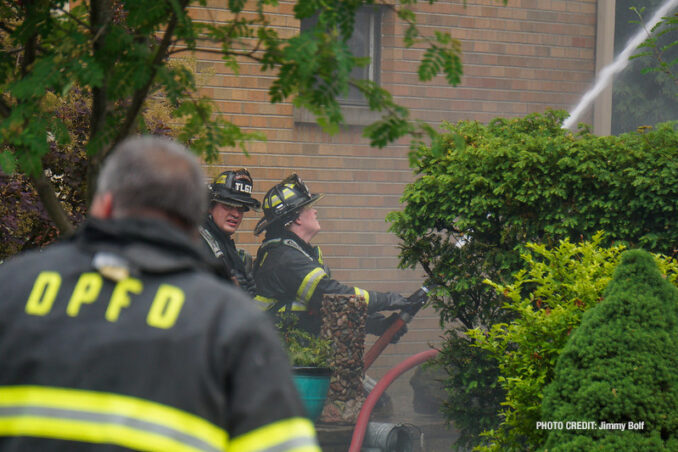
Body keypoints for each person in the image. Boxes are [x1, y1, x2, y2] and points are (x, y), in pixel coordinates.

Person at [0, 137, 319, 451]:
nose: (235, 213)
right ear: (195, 218)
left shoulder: (11, 288)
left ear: (104, 204)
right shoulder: (230, 324)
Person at [252, 173, 413, 338]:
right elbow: (332, 297)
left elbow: (322, 310)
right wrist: (385, 300)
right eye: (308, 207)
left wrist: (376, 324)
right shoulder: (285, 258)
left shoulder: (294, 253)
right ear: (296, 218)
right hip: (280, 356)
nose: (314, 211)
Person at [200, 168, 260, 296]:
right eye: (228, 206)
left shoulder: (223, 242)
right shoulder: (198, 241)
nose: (236, 214)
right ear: (210, 207)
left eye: (241, 209)